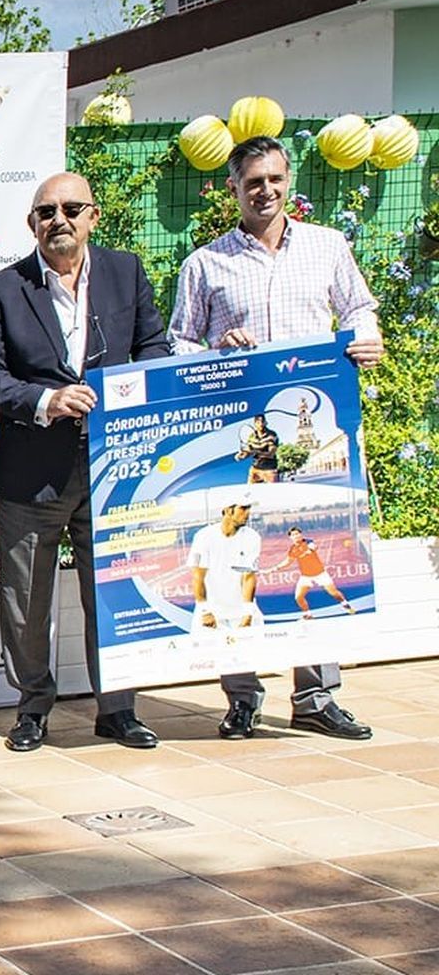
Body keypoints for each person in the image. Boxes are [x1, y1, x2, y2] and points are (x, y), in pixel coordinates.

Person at [168, 135, 378, 742]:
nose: (266, 190)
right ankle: (241, 696)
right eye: (253, 181)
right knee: (237, 560)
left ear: (289, 182)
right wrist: (212, 349)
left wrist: (367, 337)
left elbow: (360, 308)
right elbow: (178, 344)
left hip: (316, 440)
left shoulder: (328, 246)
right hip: (242, 440)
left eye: (275, 179)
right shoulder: (204, 264)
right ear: (233, 189)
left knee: (320, 547)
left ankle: (316, 694)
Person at [0, 173, 171, 753]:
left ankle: (118, 709)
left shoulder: (126, 272)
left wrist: (127, 389)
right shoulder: (0, 290)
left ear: (92, 216)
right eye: (46, 211)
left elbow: (154, 347)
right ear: (32, 224)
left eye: (71, 208)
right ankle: (32, 707)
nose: (59, 219)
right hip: (33, 468)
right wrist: (44, 401)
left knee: (113, 590)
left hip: (116, 466)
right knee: (25, 598)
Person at [189, 491, 264, 631]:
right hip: (211, 613)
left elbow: (248, 576)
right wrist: (205, 611)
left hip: (242, 613)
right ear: (228, 511)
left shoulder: (253, 537)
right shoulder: (203, 536)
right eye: (243, 508)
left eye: (249, 508)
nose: (247, 513)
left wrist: (248, 613)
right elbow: (198, 576)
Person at [271, 527, 356, 618]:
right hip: (306, 576)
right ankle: (308, 615)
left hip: (320, 573)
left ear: (301, 534)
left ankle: (345, 604)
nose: (296, 536)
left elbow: (313, 547)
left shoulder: (308, 541)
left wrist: (308, 551)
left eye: (297, 534)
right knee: (298, 597)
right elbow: (288, 561)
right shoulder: (292, 549)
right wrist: (275, 568)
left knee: (334, 593)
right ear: (290, 537)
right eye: (293, 535)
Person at [238, 414, 280, 483]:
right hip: (255, 469)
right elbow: (249, 451)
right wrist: (242, 455)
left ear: (266, 423)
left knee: (273, 492)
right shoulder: (251, 437)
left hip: (270, 470)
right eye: (258, 422)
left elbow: (271, 454)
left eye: (262, 421)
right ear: (255, 424)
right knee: (250, 492)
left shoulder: (272, 435)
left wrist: (255, 452)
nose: (260, 424)